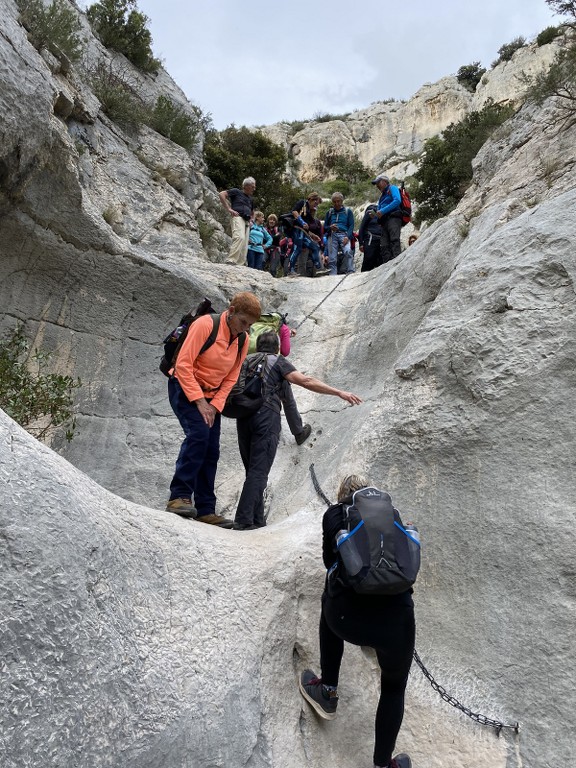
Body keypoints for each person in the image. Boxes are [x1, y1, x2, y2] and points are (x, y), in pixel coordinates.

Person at [299, 473, 415, 768]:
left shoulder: (335, 514)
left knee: (330, 593)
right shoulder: (393, 515)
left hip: (345, 618)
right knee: (393, 687)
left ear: (342, 496)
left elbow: (330, 562)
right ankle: (381, 763)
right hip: (396, 624)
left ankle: (327, 691)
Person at [233, 332, 362, 530]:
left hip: (243, 418)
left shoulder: (247, 361)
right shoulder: (278, 362)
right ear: (277, 347)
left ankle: (257, 520)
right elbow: (305, 381)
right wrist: (338, 392)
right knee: (259, 472)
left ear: (257, 346)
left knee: (253, 471)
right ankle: (243, 520)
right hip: (266, 418)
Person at [166, 292, 262, 527]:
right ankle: (178, 496)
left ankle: (206, 509)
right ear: (230, 311)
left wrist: (214, 405)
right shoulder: (205, 325)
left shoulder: (242, 339)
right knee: (198, 435)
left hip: (211, 397)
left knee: (211, 449)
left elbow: (231, 378)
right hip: (184, 386)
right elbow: (183, 364)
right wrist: (200, 402)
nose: (245, 328)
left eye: (250, 325)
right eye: (243, 322)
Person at [219, 177, 256, 265]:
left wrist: (252, 220)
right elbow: (221, 194)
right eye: (252, 187)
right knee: (239, 237)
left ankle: (240, 264)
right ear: (246, 186)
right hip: (238, 217)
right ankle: (231, 260)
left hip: (247, 221)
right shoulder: (236, 191)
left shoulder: (250, 199)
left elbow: (253, 212)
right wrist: (229, 209)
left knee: (244, 244)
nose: (254, 189)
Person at [288, 192, 323, 275]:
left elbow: (306, 228)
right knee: (297, 249)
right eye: (315, 203)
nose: (315, 206)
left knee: (315, 247)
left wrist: (314, 236)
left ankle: (319, 268)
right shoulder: (302, 203)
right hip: (297, 231)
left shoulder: (309, 214)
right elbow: (294, 212)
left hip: (303, 233)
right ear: (311, 199)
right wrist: (302, 222)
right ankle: (291, 270)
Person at [371, 174, 402, 264]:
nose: (377, 186)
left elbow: (397, 200)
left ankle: (397, 262)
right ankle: (387, 264)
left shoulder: (392, 188)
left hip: (393, 218)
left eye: (378, 183)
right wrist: (375, 214)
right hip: (384, 221)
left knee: (394, 239)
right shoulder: (381, 196)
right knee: (384, 244)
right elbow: (379, 209)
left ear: (384, 181)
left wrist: (382, 211)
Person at [324, 193, 355, 275]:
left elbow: (351, 225)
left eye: (338, 201)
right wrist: (330, 227)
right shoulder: (330, 212)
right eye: (334, 202)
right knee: (332, 257)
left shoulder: (347, 211)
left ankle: (350, 271)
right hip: (332, 234)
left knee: (348, 251)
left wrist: (347, 236)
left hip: (344, 234)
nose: (337, 203)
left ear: (342, 201)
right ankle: (332, 274)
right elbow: (325, 227)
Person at [358, 204, 383, 272]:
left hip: (371, 240)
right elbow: (362, 228)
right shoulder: (372, 213)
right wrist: (361, 244)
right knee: (378, 263)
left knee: (368, 261)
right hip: (374, 240)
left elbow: (361, 228)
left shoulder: (371, 213)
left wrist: (361, 243)